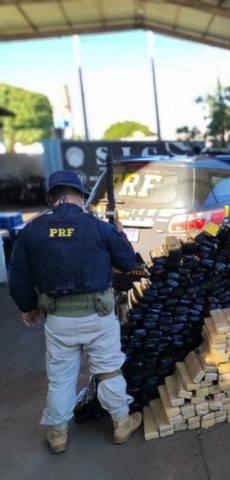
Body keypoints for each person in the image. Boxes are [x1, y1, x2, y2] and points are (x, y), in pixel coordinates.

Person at [9, 170, 142, 454]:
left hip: (58, 320)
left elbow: (18, 274)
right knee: (108, 370)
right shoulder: (97, 227)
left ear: (52, 197)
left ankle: (58, 434)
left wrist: (27, 307)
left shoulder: (32, 230)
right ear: (80, 196)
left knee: (60, 376)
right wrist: (119, 234)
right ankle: (121, 423)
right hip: (99, 316)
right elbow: (128, 260)